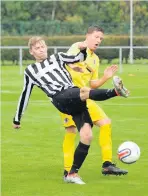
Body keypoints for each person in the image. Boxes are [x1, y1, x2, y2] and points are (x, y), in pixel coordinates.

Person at [13, 36, 129, 185]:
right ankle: (116, 92)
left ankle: (72, 174)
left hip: (73, 97)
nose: (41, 50)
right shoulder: (30, 70)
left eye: (42, 47)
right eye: (37, 48)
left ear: (46, 47)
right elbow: (25, 94)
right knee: (84, 91)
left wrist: (82, 48)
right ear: (31, 52)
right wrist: (17, 119)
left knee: (87, 136)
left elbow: (78, 58)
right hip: (60, 97)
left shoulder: (58, 57)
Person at [61, 26, 128, 181]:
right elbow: (70, 57)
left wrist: (105, 77)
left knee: (105, 123)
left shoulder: (95, 59)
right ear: (88, 36)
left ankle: (107, 164)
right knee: (71, 131)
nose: (98, 41)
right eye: (96, 37)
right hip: (68, 96)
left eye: (101, 39)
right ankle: (67, 171)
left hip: (85, 96)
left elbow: (93, 84)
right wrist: (80, 49)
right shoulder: (76, 47)